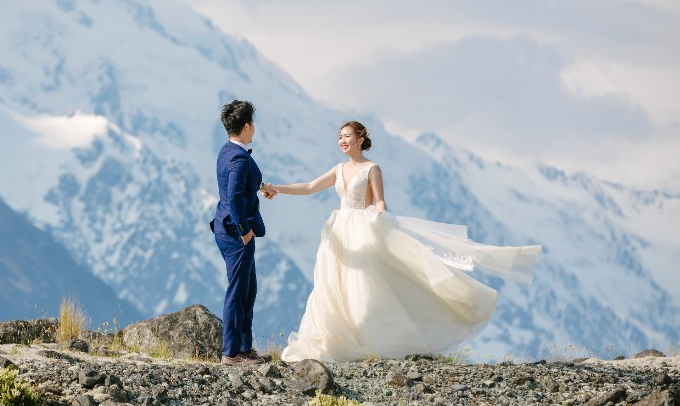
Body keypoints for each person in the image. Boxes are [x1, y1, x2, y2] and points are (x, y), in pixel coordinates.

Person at [265, 121, 541, 362]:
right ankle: (336, 339)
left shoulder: (372, 168)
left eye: (347, 136)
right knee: (333, 284)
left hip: (364, 227)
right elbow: (310, 187)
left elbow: (381, 200)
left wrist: (379, 214)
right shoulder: (338, 169)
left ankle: (369, 339)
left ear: (360, 139)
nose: (343, 141)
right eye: (340, 137)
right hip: (339, 231)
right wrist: (277, 188)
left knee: (364, 287)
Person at [210, 100, 274, 365]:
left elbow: (243, 182)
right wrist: (244, 231)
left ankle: (244, 348)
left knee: (248, 289)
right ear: (247, 126)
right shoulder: (238, 157)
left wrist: (261, 186)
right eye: (253, 124)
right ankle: (231, 353)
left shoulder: (228, 150)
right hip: (236, 233)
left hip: (228, 229)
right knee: (238, 291)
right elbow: (235, 196)